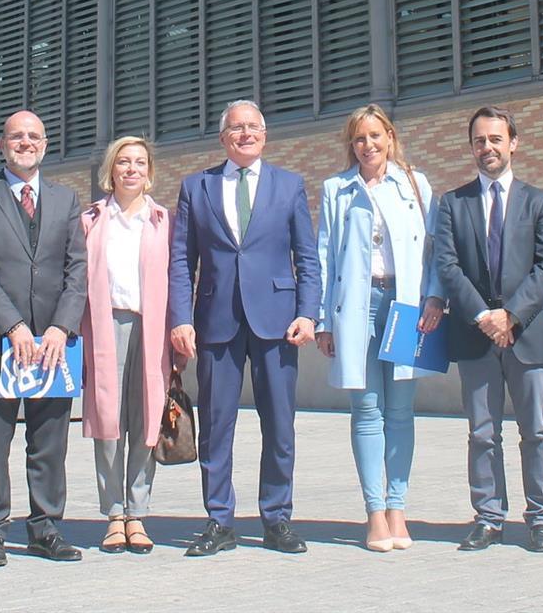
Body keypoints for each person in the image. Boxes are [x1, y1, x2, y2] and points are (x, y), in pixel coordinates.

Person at [169, 100, 319, 558]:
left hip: (278, 321)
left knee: (280, 423)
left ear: (265, 135)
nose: (246, 134)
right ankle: (219, 520)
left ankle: (277, 518)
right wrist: (180, 317)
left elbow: (307, 257)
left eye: (253, 127)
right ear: (223, 138)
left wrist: (309, 313)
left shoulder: (289, 185)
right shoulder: (197, 187)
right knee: (216, 424)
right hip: (217, 320)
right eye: (237, 128)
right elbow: (181, 260)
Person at [427, 105, 543, 553]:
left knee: (537, 430)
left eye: (495, 139)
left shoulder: (539, 201)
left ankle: (541, 518)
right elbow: (447, 265)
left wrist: (512, 315)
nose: (487, 148)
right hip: (474, 334)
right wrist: (484, 316)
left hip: (528, 334)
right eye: (479, 141)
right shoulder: (452, 203)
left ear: (513, 143)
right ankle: (489, 517)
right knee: (482, 432)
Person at [0, 109, 87, 568]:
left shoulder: (66, 199)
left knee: (50, 439)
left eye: (34, 136)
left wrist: (60, 327)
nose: (25, 143)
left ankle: (46, 527)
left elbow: (77, 269)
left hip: (52, 345)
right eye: (16, 136)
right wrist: (13, 327)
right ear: (1, 143)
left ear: (45, 145)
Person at [315, 104, 439, 552]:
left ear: (390, 136)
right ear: (351, 145)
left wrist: (435, 299)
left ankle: (398, 508)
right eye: (359, 139)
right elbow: (324, 255)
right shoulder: (337, 189)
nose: (368, 145)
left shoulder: (414, 184)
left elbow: (434, 249)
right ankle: (374, 514)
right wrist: (323, 320)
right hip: (358, 306)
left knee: (402, 409)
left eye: (374, 136)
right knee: (366, 410)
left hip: (404, 305)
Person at [78, 135, 171, 556]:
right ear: (110, 170)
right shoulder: (92, 220)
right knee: (108, 421)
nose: (131, 169)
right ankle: (114, 514)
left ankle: (138, 512)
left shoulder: (162, 221)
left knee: (146, 419)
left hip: (150, 328)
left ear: (149, 171)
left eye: (139, 162)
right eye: (123, 162)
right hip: (104, 327)